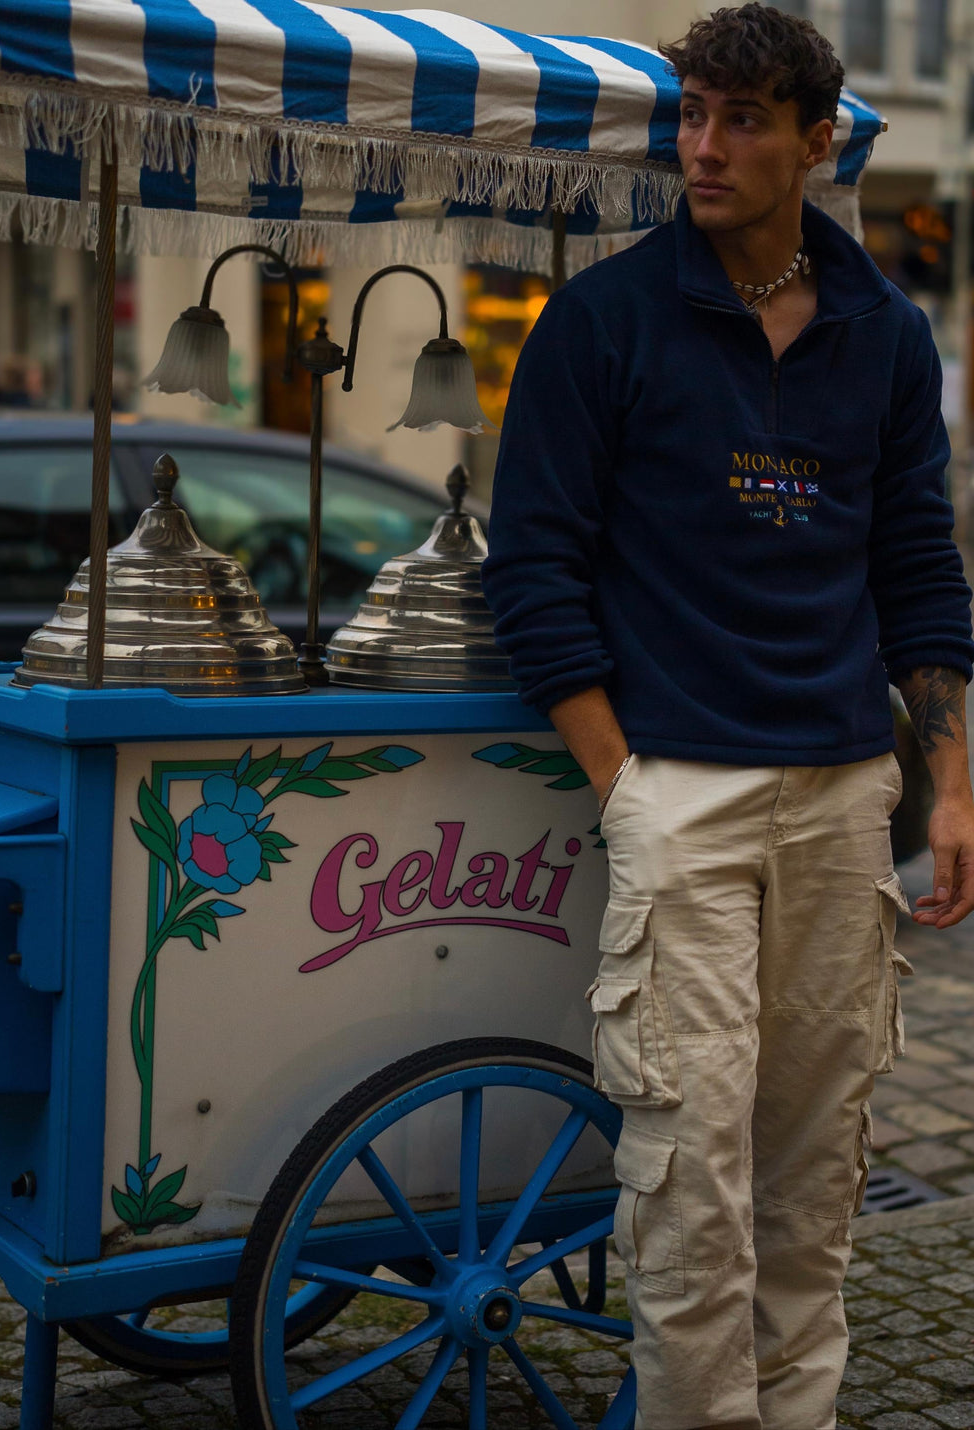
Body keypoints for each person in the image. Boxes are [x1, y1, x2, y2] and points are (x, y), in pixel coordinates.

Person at [481, 6, 974, 1428]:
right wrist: (627, 783)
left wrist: (946, 782)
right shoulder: (606, 319)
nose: (703, 145)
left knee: (813, 1177)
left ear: (817, 144)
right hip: (679, 792)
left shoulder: (886, 333)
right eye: (693, 113)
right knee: (691, 1181)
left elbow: (919, 567)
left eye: (743, 118)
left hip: (838, 799)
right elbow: (538, 570)